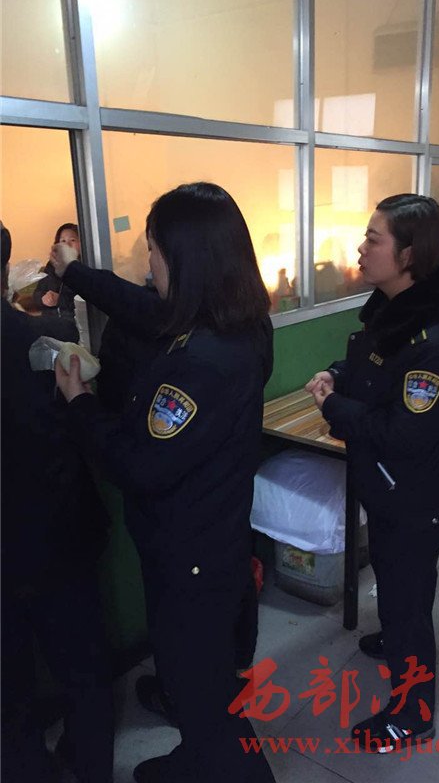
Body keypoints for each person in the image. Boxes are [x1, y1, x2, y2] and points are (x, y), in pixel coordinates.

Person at [52, 183, 275, 783]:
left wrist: (79, 403)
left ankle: (226, 767)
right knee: (200, 682)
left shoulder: (200, 361)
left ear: (185, 259)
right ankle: (195, 757)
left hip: (190, 560)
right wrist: (78, 274)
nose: (148, 264)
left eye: (152, 250)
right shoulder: (241, 326)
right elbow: (141, 307)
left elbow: (138, 465)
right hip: (213, 541)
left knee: (206, 698)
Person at [305, 194, 439, 751]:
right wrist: (336, 375)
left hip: (413, 497)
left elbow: (404, 433)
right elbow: (375, 371)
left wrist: (335, 408)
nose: (361, 248)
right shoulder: (395, 311)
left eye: (373, 240)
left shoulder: (437, 345)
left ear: (408, 256)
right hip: (387, 486)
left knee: (407, 601)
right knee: (397, 585)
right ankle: (398, 641)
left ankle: (413, 714)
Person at [1, 222, 114, 783]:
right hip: (58, 531)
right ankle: (91, 765)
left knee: (9, 685)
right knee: (83, 667)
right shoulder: (42, 341)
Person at [33, 222, 80, 318]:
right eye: (63, 241)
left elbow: (89, 302)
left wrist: (60, 300)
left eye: (72, 240)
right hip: (51, 321)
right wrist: (43, 298)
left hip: (75, 321)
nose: (67, 244)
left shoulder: (88, 266)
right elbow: (36, 294)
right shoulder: (51, 265)